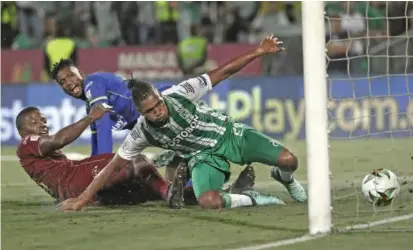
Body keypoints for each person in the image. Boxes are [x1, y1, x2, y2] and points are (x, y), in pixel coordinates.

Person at [58, 34, 307, 211]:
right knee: (208, 201)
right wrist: (82, 199)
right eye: (150, 111)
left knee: (289, 161)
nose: (158, 111)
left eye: (158, 104)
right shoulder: (141, 132)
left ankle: (285, 178)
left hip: (229, 134)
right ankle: (250, 198)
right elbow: (111, 167)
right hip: (202, 155)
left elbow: (222, 72)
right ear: (141, 114)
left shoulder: (180, 92)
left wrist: (259, 51)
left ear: (160, 95)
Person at [15, 104, 185, 208]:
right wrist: (91, 117)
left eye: (43, 120)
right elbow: (59, 139)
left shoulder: (34, 152)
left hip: (69, 188)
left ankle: (180, 194)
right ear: (23, 131)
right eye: (34, 122)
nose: (42, 125)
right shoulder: (27, 142)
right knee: (134, 159)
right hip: (72, 179)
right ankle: (166, 188)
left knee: (140, 190)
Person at [50, 59, 181, 182]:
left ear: (81, 74)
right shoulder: (90, 106)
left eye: (71, 75)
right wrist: (90, 172)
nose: (68, 82)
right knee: (171, 170)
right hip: (152, 118)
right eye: (62, 82)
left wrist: (102, 170)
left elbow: (104, 125)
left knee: (190, 149)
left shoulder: (92, 83)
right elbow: (96, 146)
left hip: (165, 100)